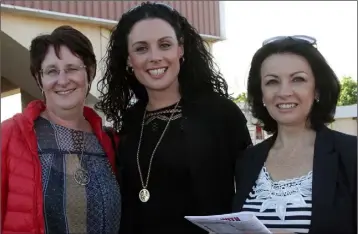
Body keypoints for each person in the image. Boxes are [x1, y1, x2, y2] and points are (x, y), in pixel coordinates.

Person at [95, 2, 252, 233]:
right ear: (129, 60)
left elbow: (251, 192)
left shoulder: (221, 114)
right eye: (141, 48)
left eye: (164, 45)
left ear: (181, 49)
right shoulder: (130, 121)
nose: (155, 57)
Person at [1, 25, 121, 234]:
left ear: (89, 72)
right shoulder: (9, 136)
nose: (63, 80)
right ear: (39, 80)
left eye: (72, 68)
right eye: (51, 71)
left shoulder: (111, 142)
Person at [232, 35, 357, 234]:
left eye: (298, 79)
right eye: (272, 82)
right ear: (261, 93)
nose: (284, 92)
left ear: (317, 90)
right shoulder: (247, 161)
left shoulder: (352, 154)